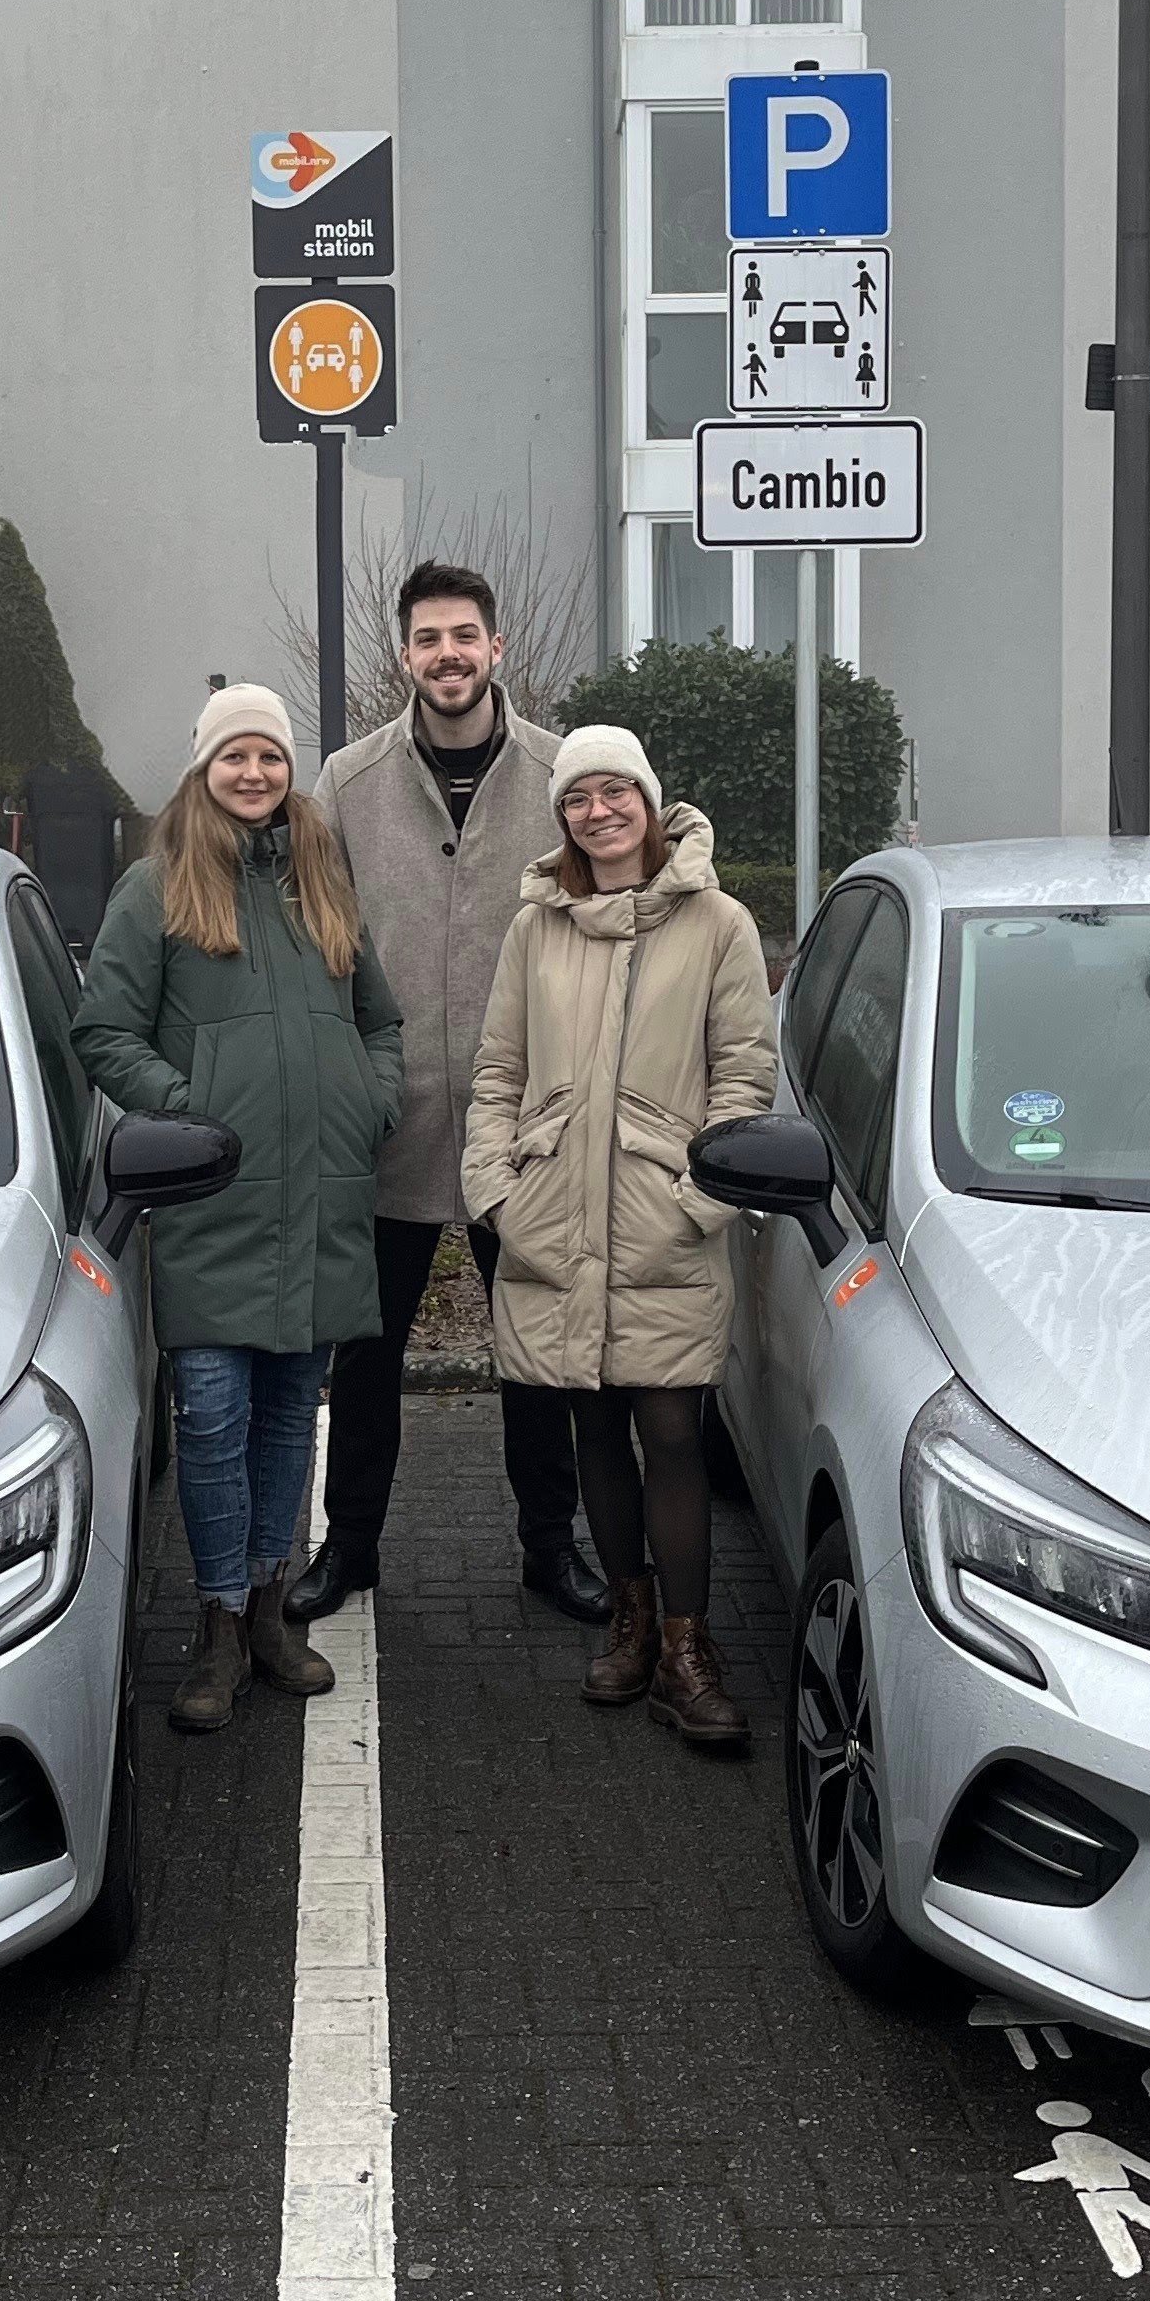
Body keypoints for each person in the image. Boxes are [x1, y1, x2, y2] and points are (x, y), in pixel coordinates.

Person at [73, 684, 407, 1732]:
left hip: (320, 1198)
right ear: (204, 767)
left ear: (287, 767)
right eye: (235, 757)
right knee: (210, 1419)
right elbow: (104, 1033)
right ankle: (218, 1626)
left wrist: (368, 1102)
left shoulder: (323, 879)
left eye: (270, 756)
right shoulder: (156, 885)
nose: (255, 773)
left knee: (283, 1423)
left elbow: (381, 1022)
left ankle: (271, 1610)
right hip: (215, 1197)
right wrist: (191, 1112)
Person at [301, 563, 607, 1628]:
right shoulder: (346, 781)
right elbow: (316, 941)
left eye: (464, 635)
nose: (448, 654)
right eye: (428, 638)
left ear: (498, 647)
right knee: (368, 1353)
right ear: (404, 656)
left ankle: (549, 1548)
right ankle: (349, 1548)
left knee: (532, 1353)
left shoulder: (564, 773)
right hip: (387, 1121)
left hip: (525, 1127)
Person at [463, 724, 778, 1748]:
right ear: (562, 816)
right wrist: (497, 1194)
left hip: (664, 1223)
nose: (598, 811)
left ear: (648, 797)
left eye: (615, 792)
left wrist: (702, 1198)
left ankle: (688, 1649)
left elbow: (743, 1077)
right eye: (577, 798)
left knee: (674, 1432)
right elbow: (499, 1072)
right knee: (592, 1427)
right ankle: (632, 1621)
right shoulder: (535, 928)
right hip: (553, 1218)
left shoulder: (719, 923)